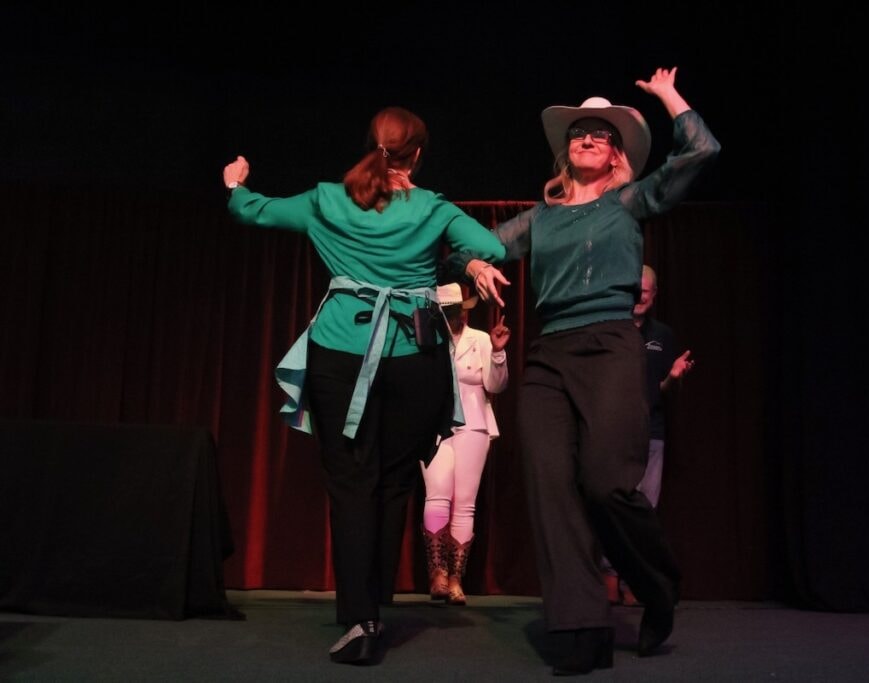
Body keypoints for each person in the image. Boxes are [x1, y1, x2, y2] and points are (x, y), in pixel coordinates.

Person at [451, 67, 720, 675]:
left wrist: (667, 94)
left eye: (601, 133)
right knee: (550, 490)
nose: (588, 137)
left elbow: (702, 149)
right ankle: (581, 627)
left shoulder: (631, 201)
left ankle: (657, 587)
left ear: (617, 153)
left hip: (608, 347)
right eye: (579, 132)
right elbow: (469, 246)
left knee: (605, 482)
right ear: (565, 152)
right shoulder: (540, 220)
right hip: (550, 355)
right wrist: (472, 265)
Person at [221, 107, 505, 666]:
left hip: (341, 357)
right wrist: (462, 262)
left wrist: (235, 183)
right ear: (418, 155)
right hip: (414, 362)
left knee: (352, 482)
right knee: (395, 483)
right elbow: (491, 248)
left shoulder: (327, 198)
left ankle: (361, 618)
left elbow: (255, 213)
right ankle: (374, 601)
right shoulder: (432, 207)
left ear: (373, 145)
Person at [605, 264, 696, 606]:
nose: (640, 296)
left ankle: (634, 579)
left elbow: (663, 390)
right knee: (613, 504)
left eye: (646, 291)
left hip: (652, 433)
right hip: (613, 432)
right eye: (635, 289)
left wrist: (674, 376)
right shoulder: (610, 330)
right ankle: (609, 575)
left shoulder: (664, 336)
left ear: (654, 295)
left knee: (644, 510)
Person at [421, 282, 510, 606]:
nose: (451, 317)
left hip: (473, 423)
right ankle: (437, 574)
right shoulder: (427, 339)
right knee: (438, 494)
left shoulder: (481, 339)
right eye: (445, 312)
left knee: (465, 502)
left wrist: (498, 353)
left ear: (464, 311)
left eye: (455, 311)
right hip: (434, 424)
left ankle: (457, 577)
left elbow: (495, 386)